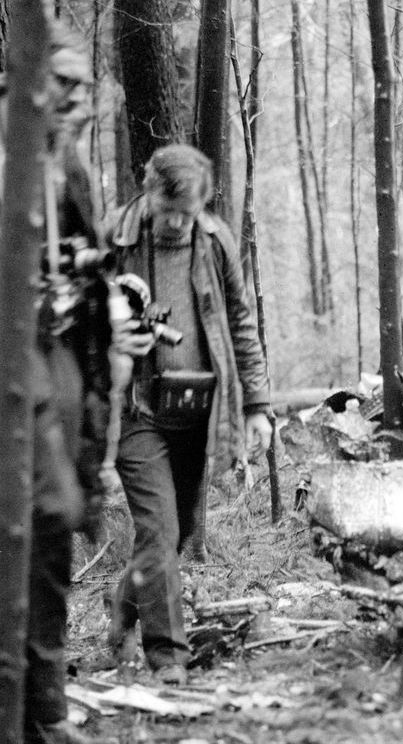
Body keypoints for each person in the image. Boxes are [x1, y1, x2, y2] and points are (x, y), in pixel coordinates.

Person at [0, 26, 145, 744]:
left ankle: (45, 705)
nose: (79, 102)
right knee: (28, 519)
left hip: (63, 354)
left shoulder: (74, 166)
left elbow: (88, 259)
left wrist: (111, 292)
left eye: (86, 89)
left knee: (55, 520)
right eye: (64, 86)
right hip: (9, 353)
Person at [105, 143, 273, 685]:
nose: (176, 222)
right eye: (167, 208)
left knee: (171, 538)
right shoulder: (114, 240)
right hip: (137, 411)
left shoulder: (216, 240)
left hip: (200, 413)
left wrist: (257, 405)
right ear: (146, 190)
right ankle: (168, 657)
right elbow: (81, 323)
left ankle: (125, 601)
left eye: (188, 212)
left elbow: (240, 325)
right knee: (158, 531)